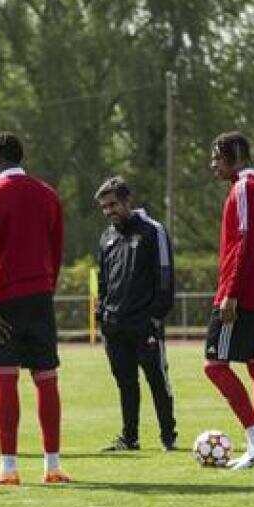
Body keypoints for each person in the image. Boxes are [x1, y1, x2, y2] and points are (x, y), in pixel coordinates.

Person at [0, 132, 68, 486]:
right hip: (40, 296)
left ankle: (8, 468)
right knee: (46, 379)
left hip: (3, 300)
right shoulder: (48, 195)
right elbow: (56, 251)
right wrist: (46, 286)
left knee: (5, 379)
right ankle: (52, 466)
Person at [202, 131, 254, 470]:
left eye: (217, 157)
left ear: (234, 155)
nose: (213, 165)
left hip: (241, 296)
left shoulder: (244, 189)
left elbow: (245, 243)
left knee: (214, 365)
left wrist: (231, 292)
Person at [92, 177, 178, 453]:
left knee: (157, 380)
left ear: (128, 201)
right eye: (104, 207)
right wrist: (102, 312)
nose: (108, 211)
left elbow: (165, 277)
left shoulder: (154, 231)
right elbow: (104, 281)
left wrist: (155, 317)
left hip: (145, 324)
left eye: (113, 204)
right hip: (114, 325)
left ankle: (168, 436)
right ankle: (129, 438)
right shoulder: (107, 237)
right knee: (126, 383)